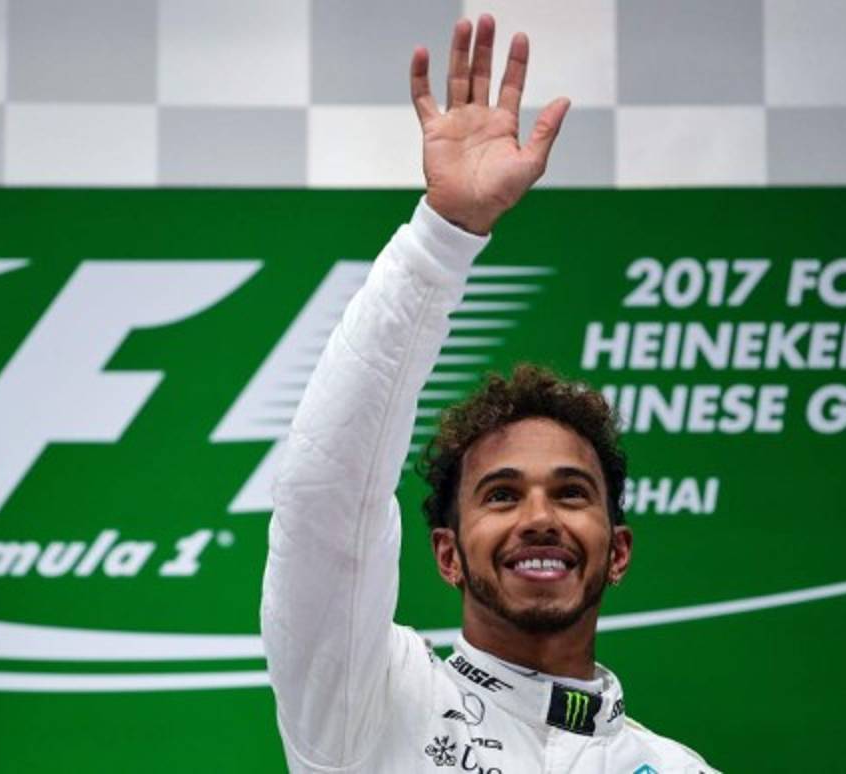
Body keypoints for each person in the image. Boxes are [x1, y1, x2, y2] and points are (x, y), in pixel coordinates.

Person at [261, 14, 717, 773]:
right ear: (446, 553)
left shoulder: (679, 770)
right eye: (501, 496)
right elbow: (325, 497)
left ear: (619, 551)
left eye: (571, 494)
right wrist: (443, 237)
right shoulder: (371, 705)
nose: (539, 519)